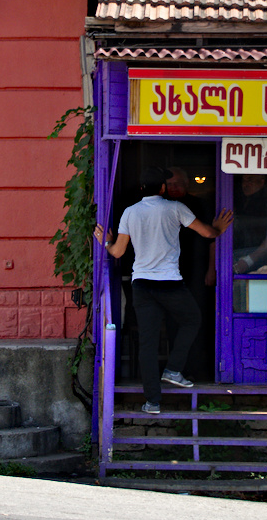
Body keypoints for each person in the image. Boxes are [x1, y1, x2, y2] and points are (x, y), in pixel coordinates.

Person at [95, 167, 232, 413]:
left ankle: (152, 402)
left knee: (147, 343)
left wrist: (106, 240)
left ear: (141, 189)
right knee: (192, 320)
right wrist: (219, 227)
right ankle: (173, 368)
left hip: (142, 284)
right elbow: (208, 233)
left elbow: (117, 252)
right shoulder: (175, 208)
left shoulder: (130, 212)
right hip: (170, 282)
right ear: (162, 188)